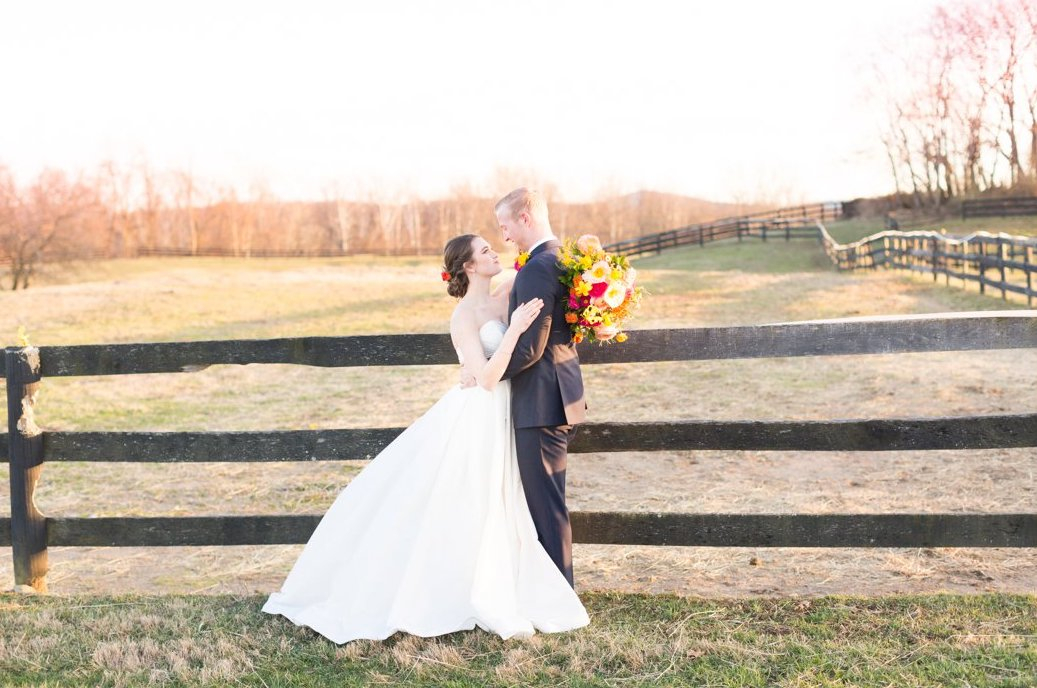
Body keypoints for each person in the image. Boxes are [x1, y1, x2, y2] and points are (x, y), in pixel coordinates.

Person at [262, 233, 589, 644]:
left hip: (513, 408)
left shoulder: (508, 290)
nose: (495, 252)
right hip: (481, 412)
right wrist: (513, 332)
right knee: (472, 497)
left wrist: (592, 276)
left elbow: (548, 280)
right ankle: (451, 587)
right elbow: (486, 378)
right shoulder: (464, 316)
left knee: (505, 498)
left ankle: (506, 580)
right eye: (485, 250)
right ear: (469, 266)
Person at [493, 188, 586, 588]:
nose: (505, 237)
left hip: (540, 401)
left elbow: (529, 348)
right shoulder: (565, 260)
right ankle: (549, 591)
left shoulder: (535, 269)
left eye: (506, 225)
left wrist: (487, 373)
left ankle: (559, 598)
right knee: (548, 504)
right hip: (563, 394)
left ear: (525, 218)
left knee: (546, 508)